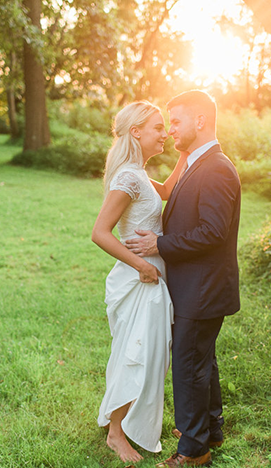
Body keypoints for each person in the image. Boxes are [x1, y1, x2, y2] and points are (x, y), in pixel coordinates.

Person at [126, 90, 241, 467]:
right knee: (201, 360)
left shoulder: (217, 168)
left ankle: (194, 451)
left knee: (189, 363)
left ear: (200, 121)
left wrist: (159, 244)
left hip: (203, 288)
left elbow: (212, 232)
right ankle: (211, 428)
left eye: (176, 121)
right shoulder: (195, 162)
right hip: (197, 285)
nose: (171, 128)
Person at [91, 101, 187, 463]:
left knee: (146, 354)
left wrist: (185, 150)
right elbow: (100, 233)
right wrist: (141, 266)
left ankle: (120, 418)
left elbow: (166, 192)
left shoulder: (140, 174)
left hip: (152, 276)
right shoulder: (129, 177)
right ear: (136, 132)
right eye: (158, 128)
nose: (164, 134)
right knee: (138, 354)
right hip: (141, 279)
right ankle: (117, 435)